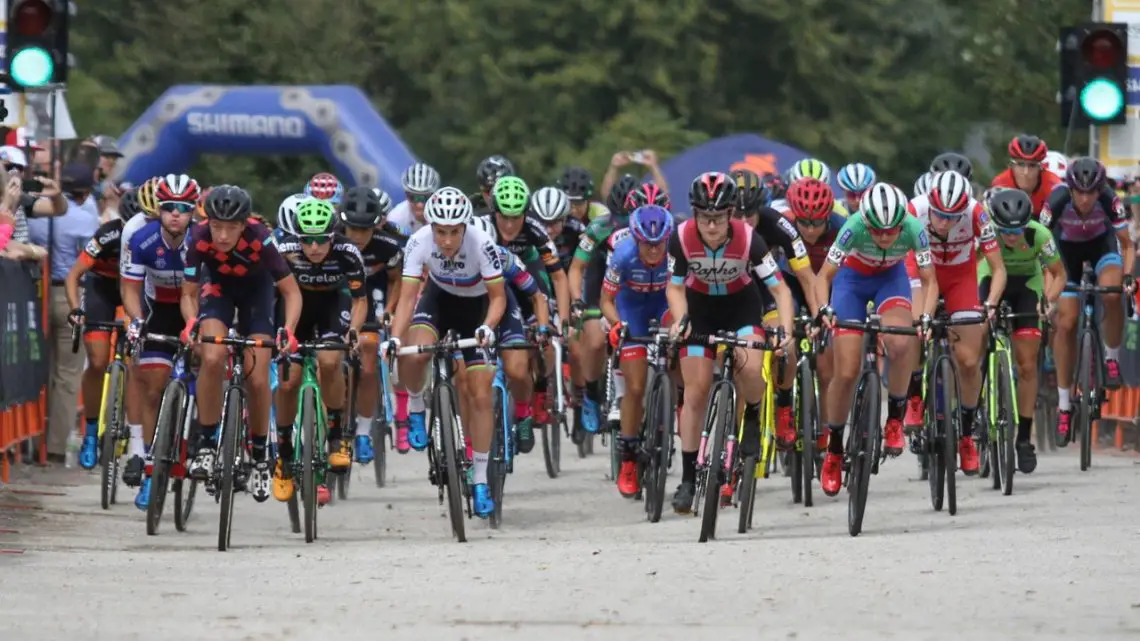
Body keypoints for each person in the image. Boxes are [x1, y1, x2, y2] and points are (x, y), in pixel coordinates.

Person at [666, 172, 793, 513]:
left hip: (742, 306)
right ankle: (689, 478)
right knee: (695, 391)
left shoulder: (750, 239)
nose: (711, 226)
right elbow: (675, 287)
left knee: (751, 369)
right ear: (694, 214)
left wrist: (785, 330)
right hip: (700, 308)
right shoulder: (679, 238)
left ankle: (751, 415)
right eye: (704, 217)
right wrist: (680, 321)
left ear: (730, 214)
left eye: (718, 218)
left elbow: (779, 290)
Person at [382, 186, 505, 518]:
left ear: (465, 227)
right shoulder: (419, 241)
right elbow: (408, 299)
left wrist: (488, 327)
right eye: (440, 232)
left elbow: (498, 298)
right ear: (431, 227)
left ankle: (479, 479)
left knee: (480, 394)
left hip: (476, 308)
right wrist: (395, 338)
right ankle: (417, 407)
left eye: (453, 232)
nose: (447, 240)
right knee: (413, 352)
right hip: (438, 300)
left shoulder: (483, 244)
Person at [180, 186, 302, 501]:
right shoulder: (198, 236)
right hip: (218, 290)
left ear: (244, 224)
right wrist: (192, 323)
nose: (221, 235)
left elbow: (291, 293)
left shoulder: (261, 238)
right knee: (211, 357)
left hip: (256, 294)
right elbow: (188, 294)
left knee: (258, 377)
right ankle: (207, 443)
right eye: (217, 226)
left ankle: (260, 455)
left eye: (230, 228)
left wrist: (287, 330)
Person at [815, 183, 937, 496]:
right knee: (845, 371)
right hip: (851, 282)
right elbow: (823, 277)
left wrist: (925, 316)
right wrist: (823, 308)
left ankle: (895, 417)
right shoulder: (853, 227)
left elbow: (929, 281)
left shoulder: (913, 228)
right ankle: (834, 448)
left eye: (891, 231)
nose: (884, 237)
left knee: (901, 340)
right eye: (877, 231)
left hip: (890, 280)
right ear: (865, 221)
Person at [273, 198, 368, 505]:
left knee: (330, 360)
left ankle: (338, 435)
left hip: (332, 305)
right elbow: (268, 292)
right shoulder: (284, 250)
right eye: (306, 240)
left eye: (320, 240)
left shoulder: (347, 252)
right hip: (295, 307)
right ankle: (284, 453)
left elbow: (359, 301)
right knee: (288, 381)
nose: (313, 247)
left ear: (332, 235)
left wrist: (353, 331)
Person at [1040, 157, 1136, 438]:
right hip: (1064, 253)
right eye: (1079, 192)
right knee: (1066, 322)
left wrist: (1128, 276)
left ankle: (1111, 357)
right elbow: (1039, 246)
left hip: (1102, 248)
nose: (1084, 199)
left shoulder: (1110, 200)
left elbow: (1128, 244)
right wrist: (1046, 290)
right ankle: (1063, 404)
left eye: (1091, 192)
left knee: (1111, 292)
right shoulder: (1056, 200)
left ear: (1099, 190)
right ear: (1069, 189)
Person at [119, 179, 196, 509]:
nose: (176, 215)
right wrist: (135, 321)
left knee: (208, 366)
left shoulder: (203, 239)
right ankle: (150, 466)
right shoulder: (141, 238)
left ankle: (200, 440)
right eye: (169, 208)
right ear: (158, 211)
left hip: (198, 307)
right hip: (159, 309)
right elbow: (130, 290)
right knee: (151, 386)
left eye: (183, 209)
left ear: (193, 213)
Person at [979, 188, 1065, 473]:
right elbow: (967, 266)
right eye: (1006, 230)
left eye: (1018, 230)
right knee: (974, 337)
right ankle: (973, 408)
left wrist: (1049, 302)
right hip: (991, 279)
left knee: (1027, 366)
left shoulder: (1039, 234)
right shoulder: (985, 231)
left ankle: (1024, 440)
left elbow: (1058, 274)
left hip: (1027, 286)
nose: (1012, 236)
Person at [63, 189, 145, 471]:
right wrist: (76, 309)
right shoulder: (107, 235)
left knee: (136, 365)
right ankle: (89, 433)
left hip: (133, 291)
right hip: (102, 289)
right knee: (97, 362)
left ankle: (134, 434)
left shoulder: (151, 236)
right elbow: (74, 275)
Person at [25, 163, 101, 462]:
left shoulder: (36, 216)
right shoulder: (84, 219)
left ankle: (31, 441)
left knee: (33, 372)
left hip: (33, 291)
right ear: (84, 193)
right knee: (67, 375)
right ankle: (55, 447)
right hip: (72, 296)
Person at [600, 205, 673, 498]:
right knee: (635, 386)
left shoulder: (676, 252)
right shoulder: (623, 256)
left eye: (659, 244)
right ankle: (629, 455)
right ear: (635, 239)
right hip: (633, 310)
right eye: (647, 244)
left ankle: (676, 410)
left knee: (685, 358)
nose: (654, 251)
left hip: (666, 305)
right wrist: (617, 324)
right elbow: (606, 300)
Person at [990, 135, 1063, 218]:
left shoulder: (1054, 186)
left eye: (1032, 165)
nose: (1026, 172)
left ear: (1040, 168)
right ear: (1011, 165)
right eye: (1020, 164)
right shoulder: (1000, 184)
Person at [389, 162, 440, 235]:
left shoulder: (444, 216)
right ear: (406, 195)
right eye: (413, 197)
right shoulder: (395, 219)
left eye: (425, 198)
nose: (420, 205)